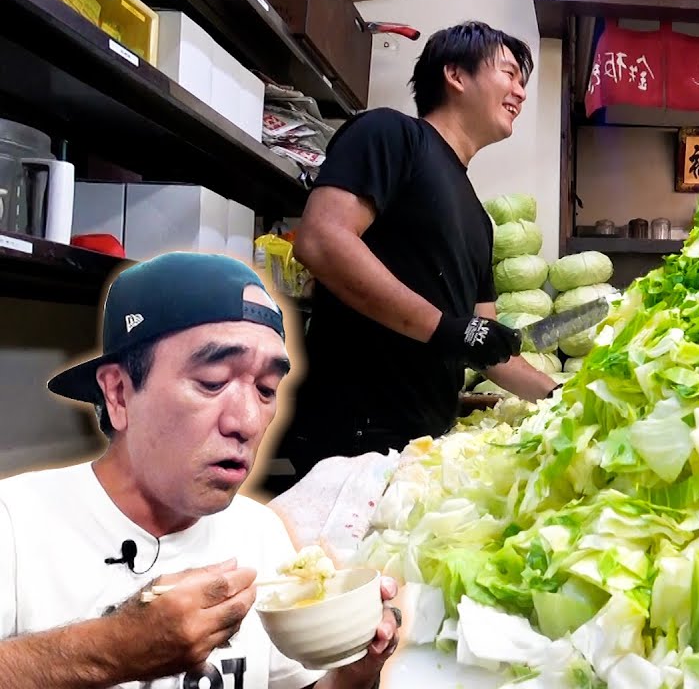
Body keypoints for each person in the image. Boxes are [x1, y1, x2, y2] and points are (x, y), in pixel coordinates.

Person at [0, 251, 400, 688]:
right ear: (118, 393)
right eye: (213, 382)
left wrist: (355, 671)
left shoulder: (260, 533)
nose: (247, 421)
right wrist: (113, 649)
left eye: (267, 389)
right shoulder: (14, 522)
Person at [268, 21, 557, 494]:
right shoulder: (391, 134)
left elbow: (484, 346)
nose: (520, 93)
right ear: (455, 75)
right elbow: (321, 238)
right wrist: (446, 329)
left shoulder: (479, 219)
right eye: (509, 74)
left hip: (422, 446)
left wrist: (558, 395)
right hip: (352, 437)